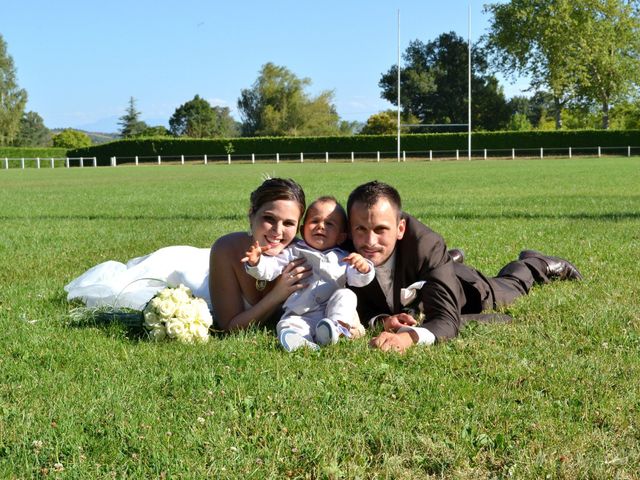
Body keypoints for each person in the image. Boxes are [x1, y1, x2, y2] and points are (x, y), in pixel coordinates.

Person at [346, 180, 583, 353]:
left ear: (400, 229)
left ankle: (536, 263)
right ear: (349, 228)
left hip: (462, 289)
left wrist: (409, 338)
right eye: (361, 230)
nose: (369, 242)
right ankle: (447, 260)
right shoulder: (343, 250)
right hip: (414, 291)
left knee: (509, 289)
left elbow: (447, 321)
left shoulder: (426, 244)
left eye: (380, 230)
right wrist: (383, 321)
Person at [65, 178, 312, 334]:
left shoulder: (303, 257)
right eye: (269, 219)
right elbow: (229, 327)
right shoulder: (227, 249)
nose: (277, 232)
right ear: (251, 216)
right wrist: (278, 294)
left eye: (288, 223)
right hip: (202, 286)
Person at [243, 196, 374, 352]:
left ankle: (336, 328)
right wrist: (256, 262)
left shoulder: (344, 257)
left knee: (346, 295)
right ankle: (299, 341)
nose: (321, 227)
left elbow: (357, 280)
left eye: (329, 224)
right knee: (286, 324)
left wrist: (363, 268)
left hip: (330, 311)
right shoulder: (294, 251)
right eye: (315, 221)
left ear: (341, 237)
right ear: (303, 230)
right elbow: (270, 269)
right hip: (300, 313)